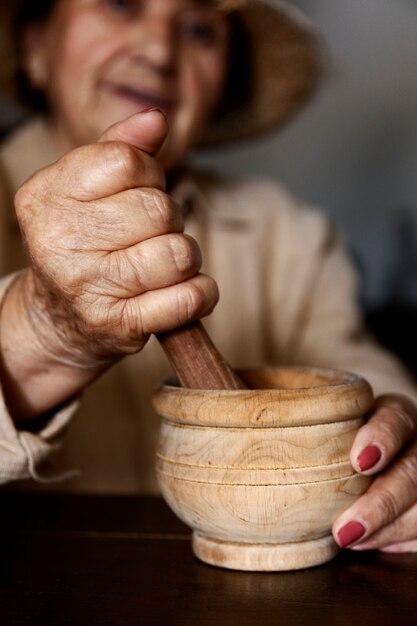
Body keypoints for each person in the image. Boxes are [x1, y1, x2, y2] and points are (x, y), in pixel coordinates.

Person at [0, 0, 416, 554]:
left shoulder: (288, 231)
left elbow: (352, 362)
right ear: (35, 44)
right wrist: (44, 331)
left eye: (198, 29)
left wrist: (396, 430)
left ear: (221, 82)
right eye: (121, 4)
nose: (157, 52)